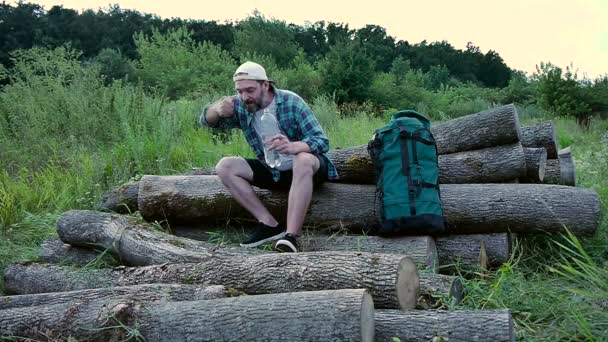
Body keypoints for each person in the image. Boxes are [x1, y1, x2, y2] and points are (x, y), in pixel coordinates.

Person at [199, 61, 338, 252]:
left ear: (265, 85)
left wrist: (293, 146)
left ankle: (291, 237)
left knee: (303, 159)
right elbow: (206, 121)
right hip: (273, 171)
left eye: (250, 90)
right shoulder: (241, 105)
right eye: (240, 91)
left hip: (307, 170)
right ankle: (269, 224)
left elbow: (321, 141)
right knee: (225, 166)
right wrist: (216, 110)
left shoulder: (291, 102)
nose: (245, 97)